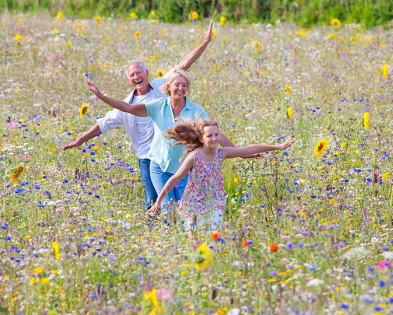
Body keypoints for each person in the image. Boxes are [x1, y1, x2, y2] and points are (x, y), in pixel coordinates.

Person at [63, 21, 215, 209]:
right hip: (147, 158)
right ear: (129, 80)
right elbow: (102, 125)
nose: (136, 77)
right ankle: (156, 230)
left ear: (147, 73)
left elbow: (183, 65)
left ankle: (176, 227)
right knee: (153, 200)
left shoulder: (162, 88)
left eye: (139, 72)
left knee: (177, 200)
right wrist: (79, 140)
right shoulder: (127, 105)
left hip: (171, 152)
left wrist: (206, 41)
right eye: (132, 75)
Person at [85, 69, 235, 206]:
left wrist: (240, 152)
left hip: (183, 168)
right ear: (168, 86)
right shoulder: (158, 106)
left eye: (184, 85)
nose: (181, 89)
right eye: (177, 85)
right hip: (159, 166)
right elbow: (128, 108)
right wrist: (101, 96)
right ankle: (168, 231)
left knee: (185, 208)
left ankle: (183, 235)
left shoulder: (195, 110)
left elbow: (214, 133)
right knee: (167, 207)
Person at [148, 117, 294, 229]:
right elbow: (175, 179)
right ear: (201, 138)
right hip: (194, 204)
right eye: (209, 135)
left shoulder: (222, 153)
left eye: (216, 134)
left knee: (214, 238)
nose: (214, 138)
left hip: (215, 202)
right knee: (194, 239)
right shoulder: (194, 157)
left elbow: (249, 149)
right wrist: (159, 202)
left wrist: (278, 147)